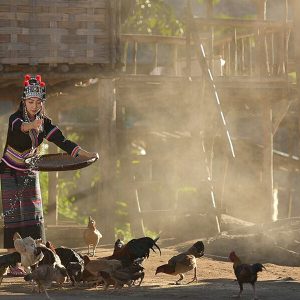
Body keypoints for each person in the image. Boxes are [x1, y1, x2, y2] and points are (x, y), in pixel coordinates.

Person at [0, 74, 99, 276]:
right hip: (10, 171)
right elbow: (21, 127)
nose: (34, 106)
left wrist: (86, 154)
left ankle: (35, 258)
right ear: (24, 101)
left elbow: (62, 141)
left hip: (30, 169)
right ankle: (13, 263)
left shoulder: (45, 122)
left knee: (33, 214)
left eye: (38, 102)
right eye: (30, 102)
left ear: (41, 103)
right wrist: (32, 125)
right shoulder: (15, 119)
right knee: (13, 215)